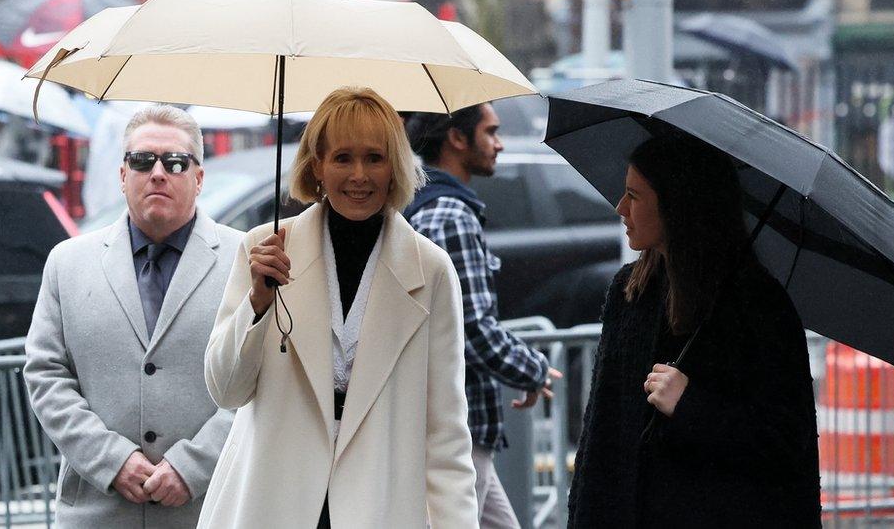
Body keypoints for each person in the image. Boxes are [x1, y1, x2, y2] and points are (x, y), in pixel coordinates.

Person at [198, 87, 478, 529]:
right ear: (318, 168)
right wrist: (257, 303)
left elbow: (445, 431)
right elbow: (226, 390)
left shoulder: (431, 270)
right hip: (270, 499)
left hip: (380, 505)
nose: (359, 176)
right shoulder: (263, 249)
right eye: (343, 158)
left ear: (395, 168)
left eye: (375, 157)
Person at [567, 130, 821, 527]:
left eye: (634, 196)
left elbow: (786, 441)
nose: (620, 208)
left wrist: (692, 406)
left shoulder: (757, 305)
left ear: (677, 205)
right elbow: (600, 436)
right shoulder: (630, 291)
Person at [24, 105, 240, 528]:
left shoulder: (245, 261)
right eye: (142, 161)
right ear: (123, 175)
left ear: (198, 178)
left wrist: (193, 466)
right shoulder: (68, 263)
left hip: (211, 510)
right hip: (97, 511)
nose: (158, 172)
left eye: (175, 162)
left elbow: (264, 383)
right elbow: (45, 374)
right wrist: (110, 459)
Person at [404, 104, 559, 528]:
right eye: (490, 132)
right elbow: (470, 326)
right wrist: (533, 368)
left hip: (457, 426)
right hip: (458, 427)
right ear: (457, 137)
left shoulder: (429, 208)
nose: (500, 143)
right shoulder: (450, 215)